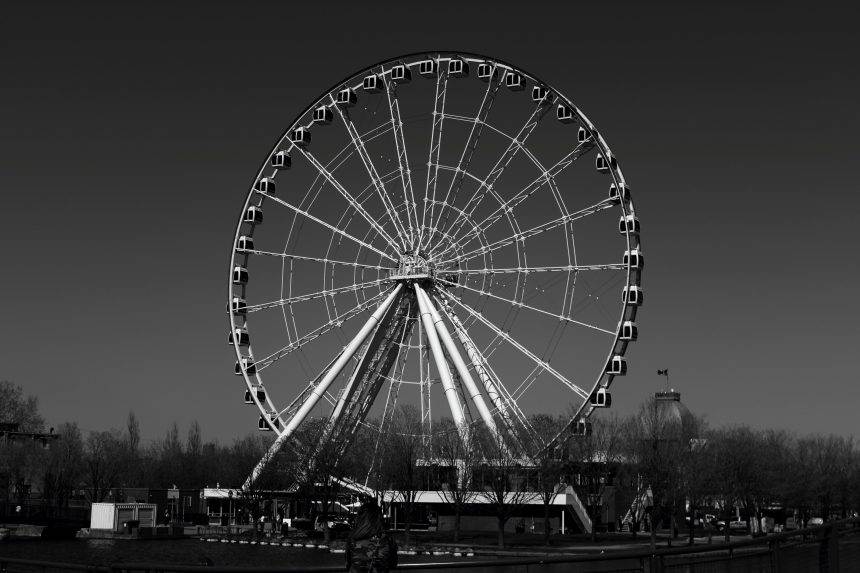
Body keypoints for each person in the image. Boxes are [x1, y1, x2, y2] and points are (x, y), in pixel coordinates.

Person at [346, 499, 397, 573]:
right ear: (379, 518)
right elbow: (393, 564)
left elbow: (348, 565)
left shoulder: (352, 539)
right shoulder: (388, 540)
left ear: (360, 519)